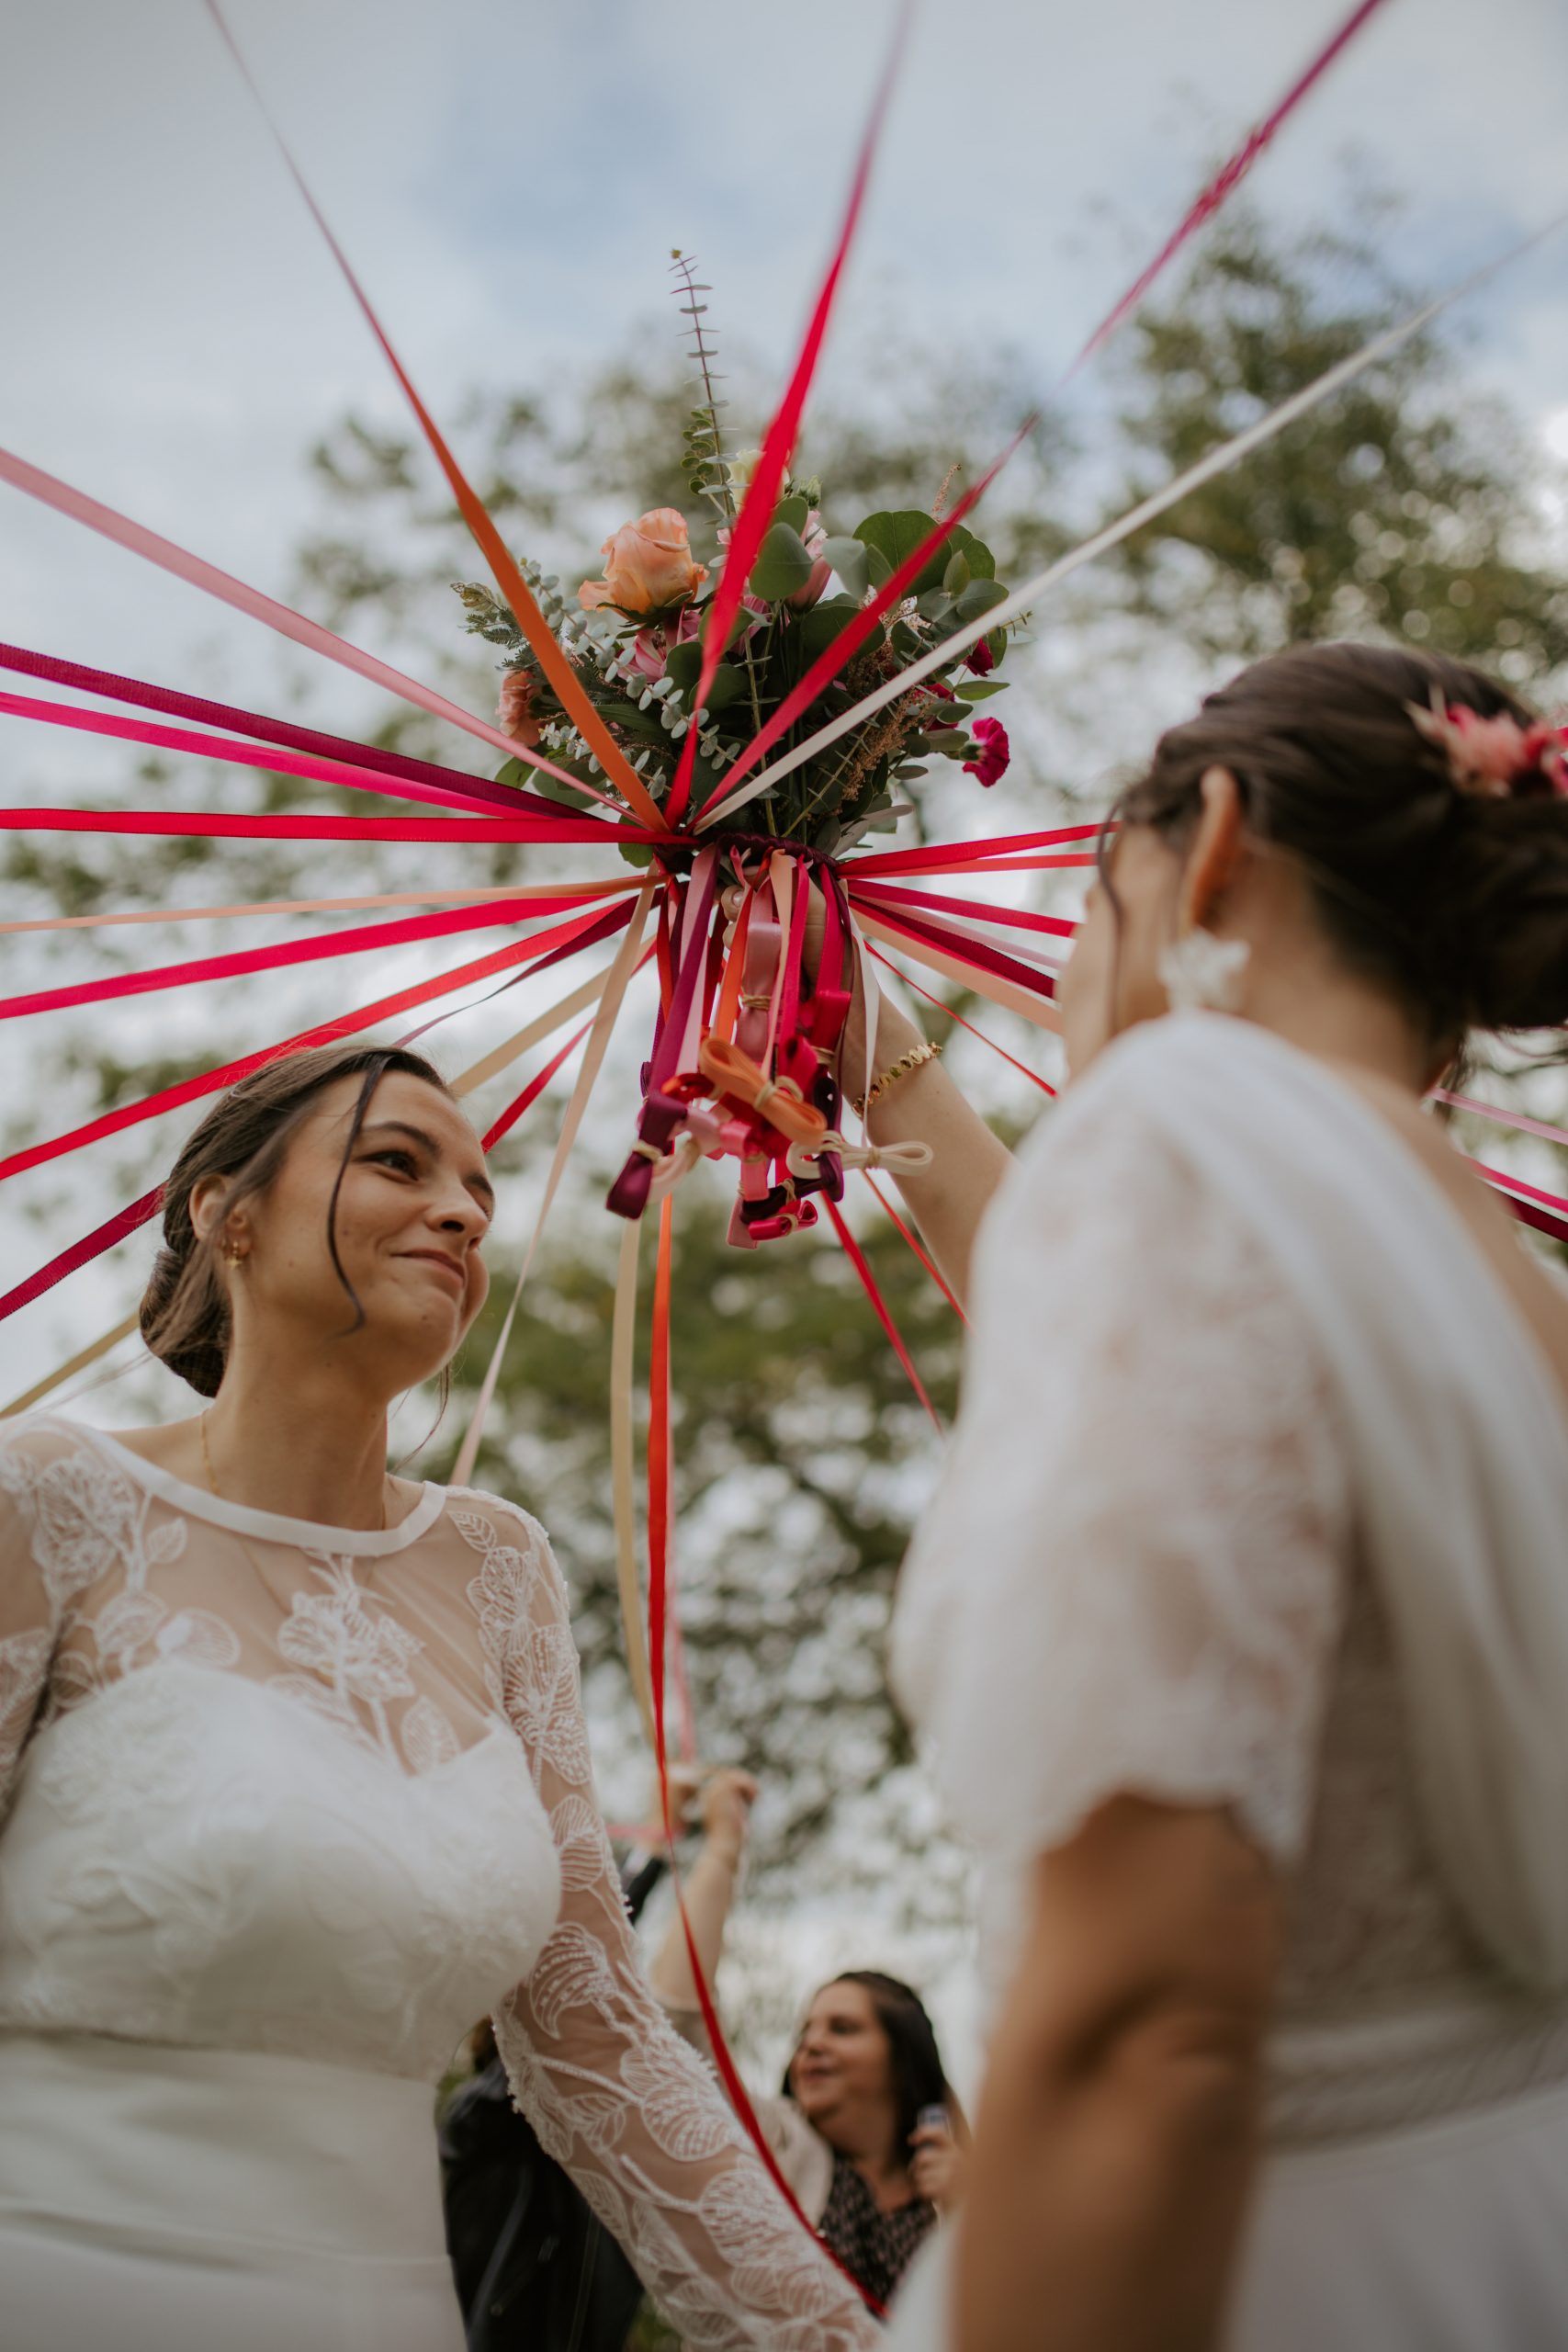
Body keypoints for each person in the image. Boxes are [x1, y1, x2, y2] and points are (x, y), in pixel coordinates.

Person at [836, 641, 1568, 2350]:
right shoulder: (1498, 1272)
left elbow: (1148, 2017)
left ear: (1213, 837)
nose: (1075, 971)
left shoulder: (1175, 1126)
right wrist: (863, 1043)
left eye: (1092, 901)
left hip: (1259, 2257)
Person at [0, 1043, 880, 2352]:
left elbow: (597, 2038)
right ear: (224, 1214)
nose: (463, 1210)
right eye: (396, 1162)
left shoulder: (497, 1569)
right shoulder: (50, 1498)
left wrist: (845, 2339)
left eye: (477, 1187)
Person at [649, 1768, 966, 2308]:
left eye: (843, 2029)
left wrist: (973, 2216)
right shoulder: (774, 2144)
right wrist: (724, 1845)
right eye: (805, 2032)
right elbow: (677, 2019)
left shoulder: (959, 2194)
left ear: (902, 2058)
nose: (811, 2045)